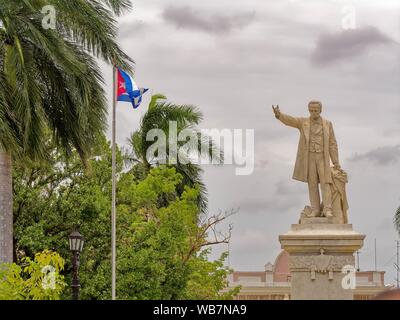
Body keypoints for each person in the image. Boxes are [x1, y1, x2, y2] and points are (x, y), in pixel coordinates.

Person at [272, 101, 341, 217]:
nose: (313, 112)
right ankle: (315, 209)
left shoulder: (327, 124)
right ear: (309, 110)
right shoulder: (303, 122)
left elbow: (332, 144)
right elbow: (291, 121)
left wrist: (335, 161)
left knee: (325, 183)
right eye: (311, 110)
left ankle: (327, 209)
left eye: (316, 110)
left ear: (320, 110)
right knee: (312, 184)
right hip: (309, 158)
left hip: (322, 158)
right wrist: (279, 115)